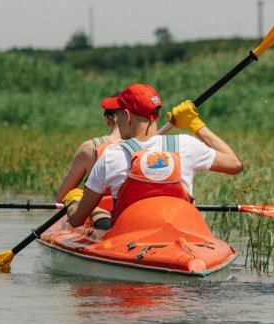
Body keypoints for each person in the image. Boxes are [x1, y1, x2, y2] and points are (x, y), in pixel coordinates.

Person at [62, 83, 243, 228]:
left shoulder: (111, 156)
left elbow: (77, 220)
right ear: (156, 114)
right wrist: (196, 125)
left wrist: (73, 202)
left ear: (126, 115)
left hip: (129, 239)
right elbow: (235, 164)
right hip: (182, 234)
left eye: (118, 114)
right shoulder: (185, 145)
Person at [55, 93, 122, 229]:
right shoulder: (149, 149)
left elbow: (61, 198)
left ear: (108, 119)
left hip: (97, 217)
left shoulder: (89, 148)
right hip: (131, 216)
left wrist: (76, 197)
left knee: (74, 195)